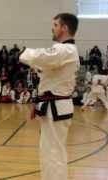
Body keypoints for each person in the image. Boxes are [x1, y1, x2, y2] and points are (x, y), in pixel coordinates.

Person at [19, 13, 79, 180]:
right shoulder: (65, 51)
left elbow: (39, 56)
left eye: (55, 25)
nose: (52, 28)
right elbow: (44, 68)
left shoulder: (65, 49)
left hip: (56, 107)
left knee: (54, 152)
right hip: (52, 106)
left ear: (64, 28)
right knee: (49, 151)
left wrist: (25, 53)